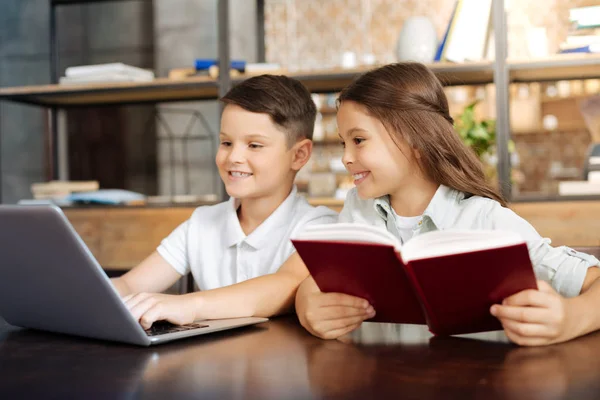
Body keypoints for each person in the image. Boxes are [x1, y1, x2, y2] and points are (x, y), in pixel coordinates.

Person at [294, 62, 600, 346]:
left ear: (414, 139)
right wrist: (307, 302)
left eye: (358, 140)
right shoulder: (357, 209)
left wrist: (571, 319)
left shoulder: (485, 219)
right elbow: (318, 281)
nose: (346, 157)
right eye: (343, 142)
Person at [111, 74, 337, 329]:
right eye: (226, 142)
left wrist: (188, 305)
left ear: (299, 155)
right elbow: (131, 285)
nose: (233, 157)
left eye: (254, 145)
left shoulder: (320, 226)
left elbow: (284, 283)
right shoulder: (202, 222)